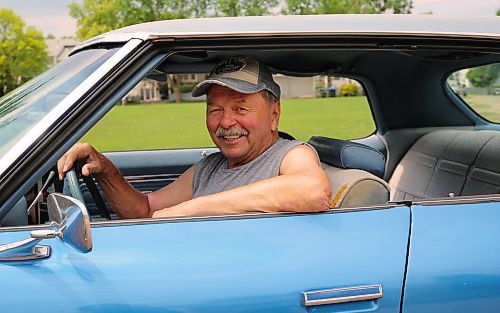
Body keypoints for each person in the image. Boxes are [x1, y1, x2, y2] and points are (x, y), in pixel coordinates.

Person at [57, 56, 332, 219]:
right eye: (215, 110)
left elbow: (313, 192)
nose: (225, 122)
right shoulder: (210, 166)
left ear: (274, 115)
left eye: (240, 108)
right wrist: (104, 169)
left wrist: (192, 210)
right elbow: (145, 210)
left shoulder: (290, 154)